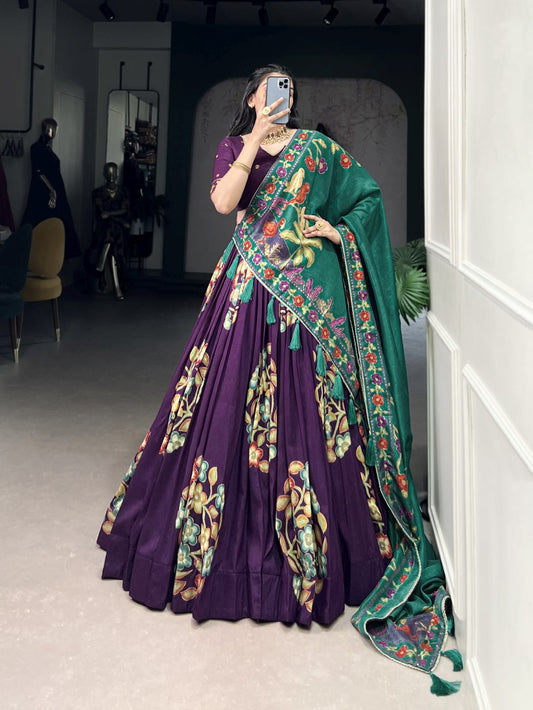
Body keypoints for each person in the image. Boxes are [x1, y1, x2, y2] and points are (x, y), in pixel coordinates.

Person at [98, 65, 459, 693]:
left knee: (309, 419)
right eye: (272, 88)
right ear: (252, 96)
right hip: (245, 295)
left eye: (289, 89)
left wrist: (338, 231)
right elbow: (224, 205)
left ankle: (319, 550)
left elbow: (367, 198)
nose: (283, 96)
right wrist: (252, 139)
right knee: (222, 412)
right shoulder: (231, 147)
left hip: (306, 302)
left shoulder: (315, 149)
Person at [22, 118, 81, 259]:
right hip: (43, 191)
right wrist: (51, 190)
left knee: (58, 224)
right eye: (51, 129)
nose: (53, 133)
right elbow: (38, 172)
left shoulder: (47, 149)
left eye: (55, 130)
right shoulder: (36, 148)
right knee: (42, 221)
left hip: (55, 189)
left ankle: (54, 256)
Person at [85, 162, 130, 300]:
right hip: (103, 229)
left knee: (111, 232)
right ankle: (117, 289)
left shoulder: (124, 192)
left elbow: (124, 210)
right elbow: (98, 214)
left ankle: (101, 262)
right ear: (104, 174)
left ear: (117, 174)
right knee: (109, 233)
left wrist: (109, 214)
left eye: (114, 173)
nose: (111, 176)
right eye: (109, 173)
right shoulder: (97, 192)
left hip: (118, 229)